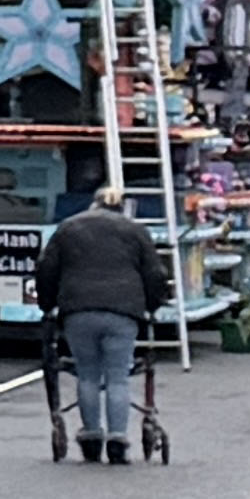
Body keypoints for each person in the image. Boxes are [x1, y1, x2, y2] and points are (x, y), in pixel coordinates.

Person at [32, 187, 170, 464]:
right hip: (123, 312)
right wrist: (153, 305)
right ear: (122, 207)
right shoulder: (135, 231)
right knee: (118, 376)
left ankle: (92, 436)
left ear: (93, 204)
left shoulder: (68, 228)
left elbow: (46, 269)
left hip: (78, 311)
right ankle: (117, 438)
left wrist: (47, 304)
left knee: (88, 375)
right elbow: (155, 274)